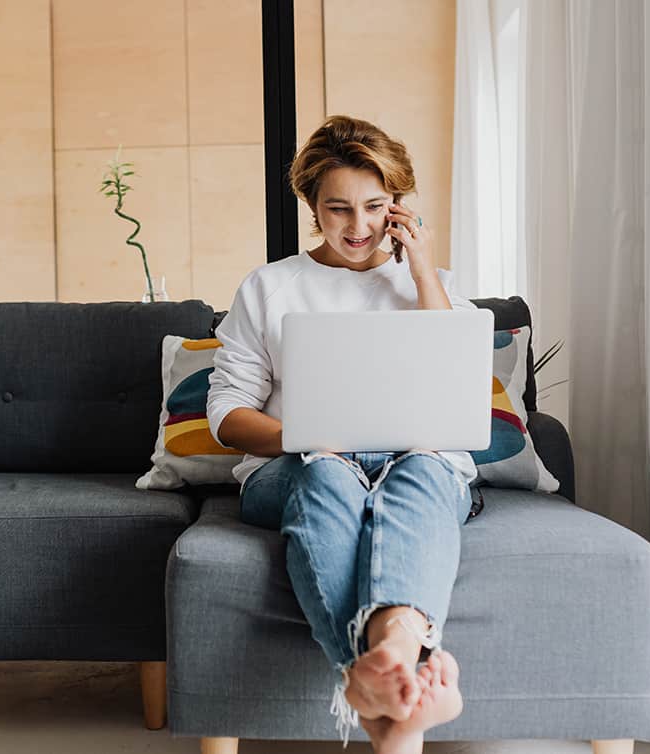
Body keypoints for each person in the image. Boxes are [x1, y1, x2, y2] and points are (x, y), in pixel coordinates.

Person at [206, 114, 476, 753]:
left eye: (376, 207)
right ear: (310, 205)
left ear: (399, 207)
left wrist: (425, 273)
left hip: (414, 464)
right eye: (337, 209)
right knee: (326, 471)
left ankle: (386, 680)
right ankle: (403, 667)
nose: (357, 227)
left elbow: (453, 392)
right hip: (299, 466)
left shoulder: (433, 288)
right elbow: (226, 415)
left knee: (423, 467)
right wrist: (305, 437)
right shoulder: (270, 286)